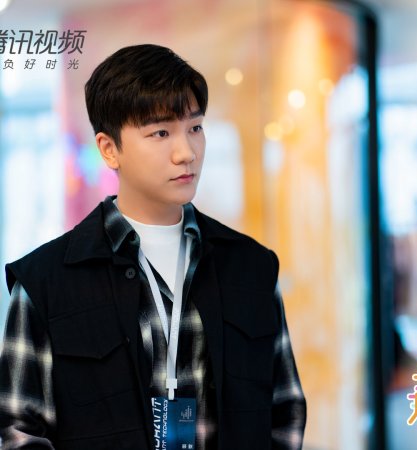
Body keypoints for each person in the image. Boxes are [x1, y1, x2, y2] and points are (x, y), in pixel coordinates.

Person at [0, 44, 306, 449]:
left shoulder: (251, 267)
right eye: (161, 133)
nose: (187, 152)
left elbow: (285, 411)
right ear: (109, 149)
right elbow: (19, 430)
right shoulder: (45, 281)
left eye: (195, 128)